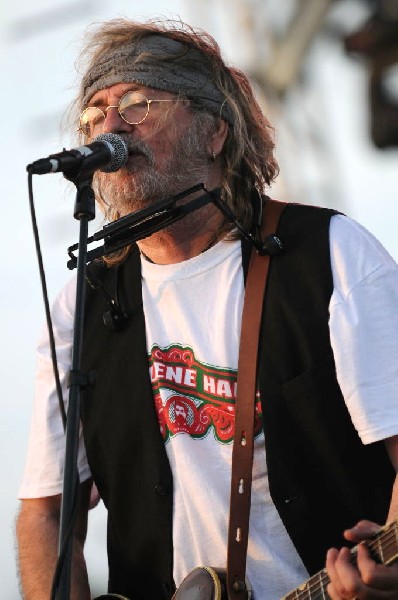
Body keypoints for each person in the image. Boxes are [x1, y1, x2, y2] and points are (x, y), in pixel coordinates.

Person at [16, 17, 398, 600]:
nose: (109, 128)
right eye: (94, 114)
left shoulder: (330, 256)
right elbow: (46, 515)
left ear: (214, 130)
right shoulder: (82, 306)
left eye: (139, 104)